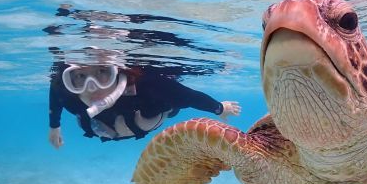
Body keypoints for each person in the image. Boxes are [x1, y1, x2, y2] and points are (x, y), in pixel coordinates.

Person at [48, 61, 241, 148]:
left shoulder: (149, 87)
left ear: (116, 71)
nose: (92, 87)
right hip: (112, 124)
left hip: (151, 110)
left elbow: (189, 96)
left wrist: (219, 108)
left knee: (167, 106)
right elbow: (55, 93)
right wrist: (54, 127)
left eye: (102, 72)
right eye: (80, 76)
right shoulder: (69, 96)